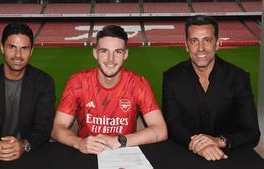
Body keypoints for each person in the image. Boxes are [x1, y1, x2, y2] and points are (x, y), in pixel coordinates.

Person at [52, 25, 168, 154]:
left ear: (125, 54)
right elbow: (57, 128)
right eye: (104, 51)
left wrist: (119, 141)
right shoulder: (78, 82)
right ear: (95, 53)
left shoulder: (138, 83)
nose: (110, 59)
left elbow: (161, 130)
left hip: (124, 153)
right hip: (87, 154)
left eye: (117, 52)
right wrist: (79, 143)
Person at [162, 15, 261, 161]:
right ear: (186, 45)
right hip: (186, 152)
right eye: (194, 41)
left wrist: (218, 141)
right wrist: (198, 145)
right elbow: (172, 125)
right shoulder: (171, 77)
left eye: (207, 40)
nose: (200, 48)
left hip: (229, 154)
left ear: (217, 44)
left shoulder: (238, 77)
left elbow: (251, 131)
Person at [0, 22, 55, 161]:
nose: (18, 55)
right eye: (12, 47)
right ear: (2, 48)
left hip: (31, 152)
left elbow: (44, 127)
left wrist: (23, 145)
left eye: (24, 48)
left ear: (31, 51)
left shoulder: (44, 82)